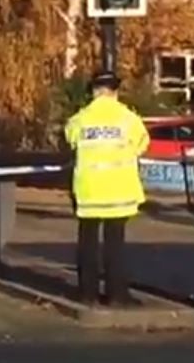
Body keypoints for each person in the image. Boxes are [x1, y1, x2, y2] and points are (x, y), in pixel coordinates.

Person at [64, 71, 149, 307]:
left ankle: (87, 293)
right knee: (115, 244)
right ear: (115, 91)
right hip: (118, 191)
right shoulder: (128, 119)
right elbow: (142, 145)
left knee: (87, 242)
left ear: (93, 91)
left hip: (89, 191)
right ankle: (116, 294)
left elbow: (70, 140)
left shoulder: (80, 119)